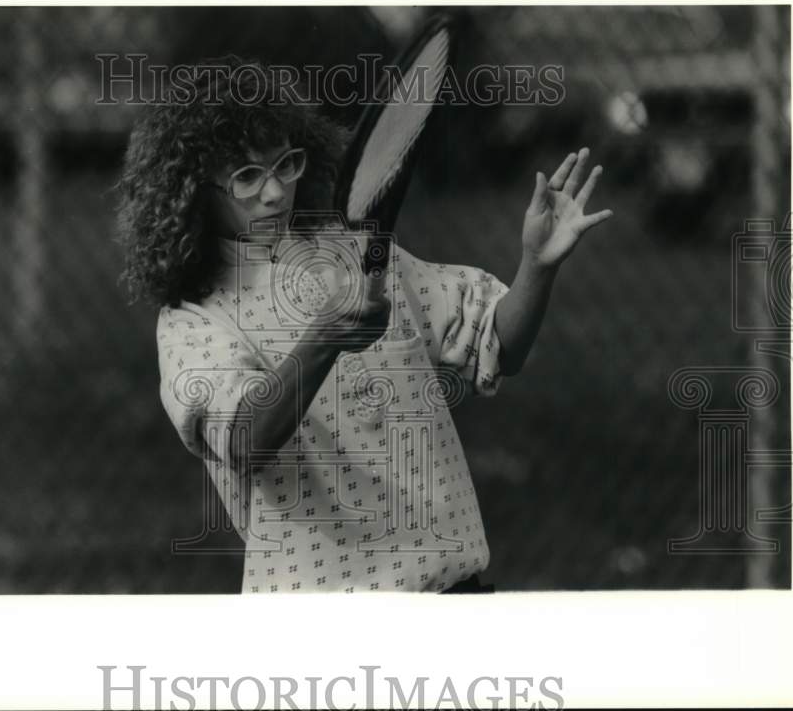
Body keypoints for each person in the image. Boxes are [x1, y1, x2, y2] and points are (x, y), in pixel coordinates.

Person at [115, 60, 612, 593]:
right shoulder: (194, 320)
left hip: (456, 597)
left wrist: (536, 264)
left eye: (286, 164)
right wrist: (328, 337)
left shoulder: (357, 252)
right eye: (246, 176)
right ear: (195, 192)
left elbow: (497, 346)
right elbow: (243, 440)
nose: (276, 192)